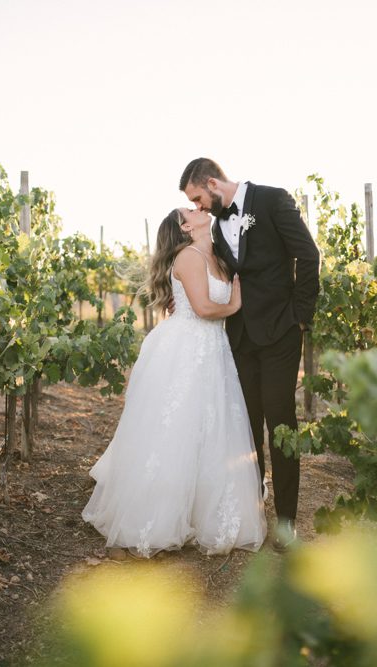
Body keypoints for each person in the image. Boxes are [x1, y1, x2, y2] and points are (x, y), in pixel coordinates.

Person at [82, 208, 267, 558]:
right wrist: (236, 303)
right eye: (191, 211)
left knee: (210, 429)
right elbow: (203, 308)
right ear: (185, 226)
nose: (199, 210)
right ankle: (155, 518)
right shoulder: (188, 256)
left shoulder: (213, 254)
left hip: (212, 347)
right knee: (177, 428)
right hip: (187, 346)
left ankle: (205, 511)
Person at [179, 158, 320, 551]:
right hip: (239, 338)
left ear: (211, 182)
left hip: (280, 334)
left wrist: (301, 317)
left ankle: (287, 522)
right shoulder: (215, 224)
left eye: (198, 198)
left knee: (280, 422)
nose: (200, 207)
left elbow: (308, 255)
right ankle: (252, 509)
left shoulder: (273, 201)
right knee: (246, 427)